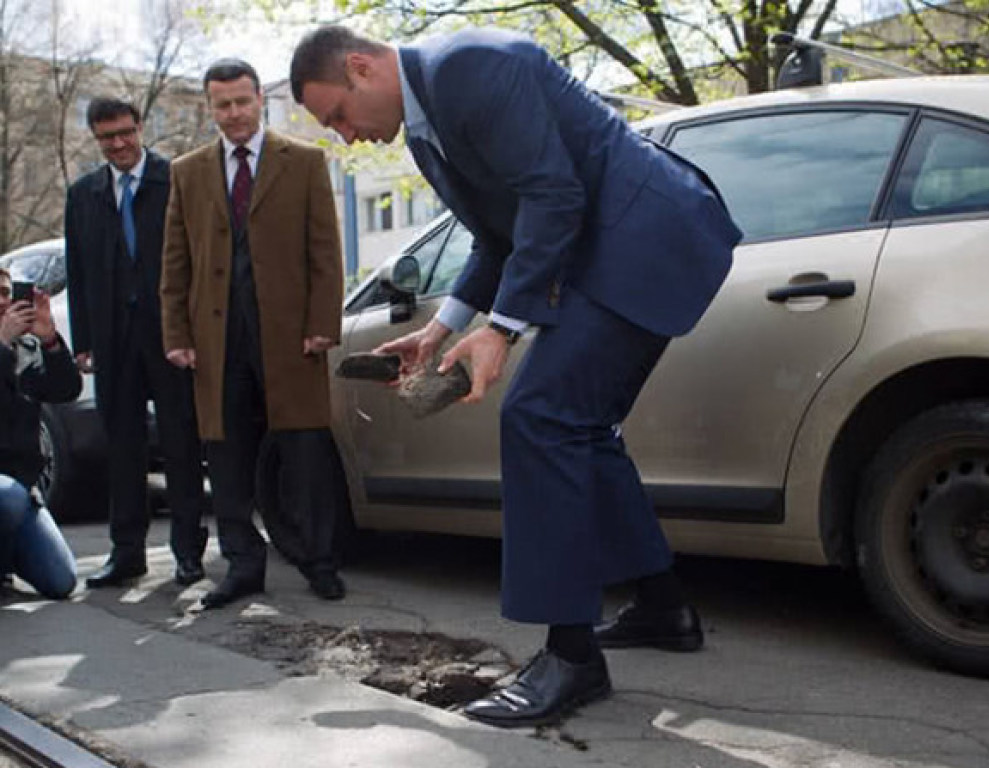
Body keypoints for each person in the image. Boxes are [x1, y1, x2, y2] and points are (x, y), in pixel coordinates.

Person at [289, 26, 742, 727]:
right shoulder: (424, 131)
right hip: (609, 254)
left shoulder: (468, 67)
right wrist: (440, 331)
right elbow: (497, 238)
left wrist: (501, 331)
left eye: (338, 117)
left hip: (644, 239)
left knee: (538, 416)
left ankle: (572, 656)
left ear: (360, 68)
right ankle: (663, 606)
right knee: (579, 428)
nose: (346, 137)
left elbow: (554, 196)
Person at [161, 59, 345, 609]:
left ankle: (319, 560)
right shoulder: (188, 172)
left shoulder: (304, 162)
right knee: (227, 455)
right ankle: (243, 564)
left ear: (259, 99)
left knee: (305, 453)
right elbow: (175, 263)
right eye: (223, 104)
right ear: (209, 108)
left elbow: (325, 255)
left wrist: (321, 326)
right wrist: (177, 332)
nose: (234, 113)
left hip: (291, 338)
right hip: (217, 341)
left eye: (242, 101)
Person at [65, 98, 208, 590]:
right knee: (122, 448)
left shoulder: (176, 180)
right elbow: (78, 272)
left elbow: (198, 257)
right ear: (95, 138)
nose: (119, 144)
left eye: (126, 133)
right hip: (112, 341)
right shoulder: (83, 195)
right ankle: (126, 553)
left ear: (140, 127)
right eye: (108, 137)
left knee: (181, 444)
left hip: (170, 337)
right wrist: (83, 340)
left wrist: (194, 331)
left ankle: (188, 553)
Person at [0, 267, 79, 600]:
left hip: (23, 489)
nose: (4, 301)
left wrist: (50, 342)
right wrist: (1, 344)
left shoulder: (27, 347)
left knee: (61, 581)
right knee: (8, 496)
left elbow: (66, 390)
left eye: (7, 292)